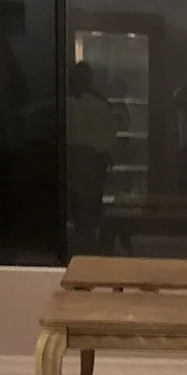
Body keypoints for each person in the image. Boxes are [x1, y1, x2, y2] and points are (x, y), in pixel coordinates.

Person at [66, 60, 117, 250]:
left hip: (80, 157)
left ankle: (85, 235)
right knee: (89, 199)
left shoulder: (67, 104)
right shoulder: (99, 105)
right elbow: (110, 133)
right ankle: (88, 236)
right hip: (93, 158)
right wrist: (107, 154)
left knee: (80, 198)